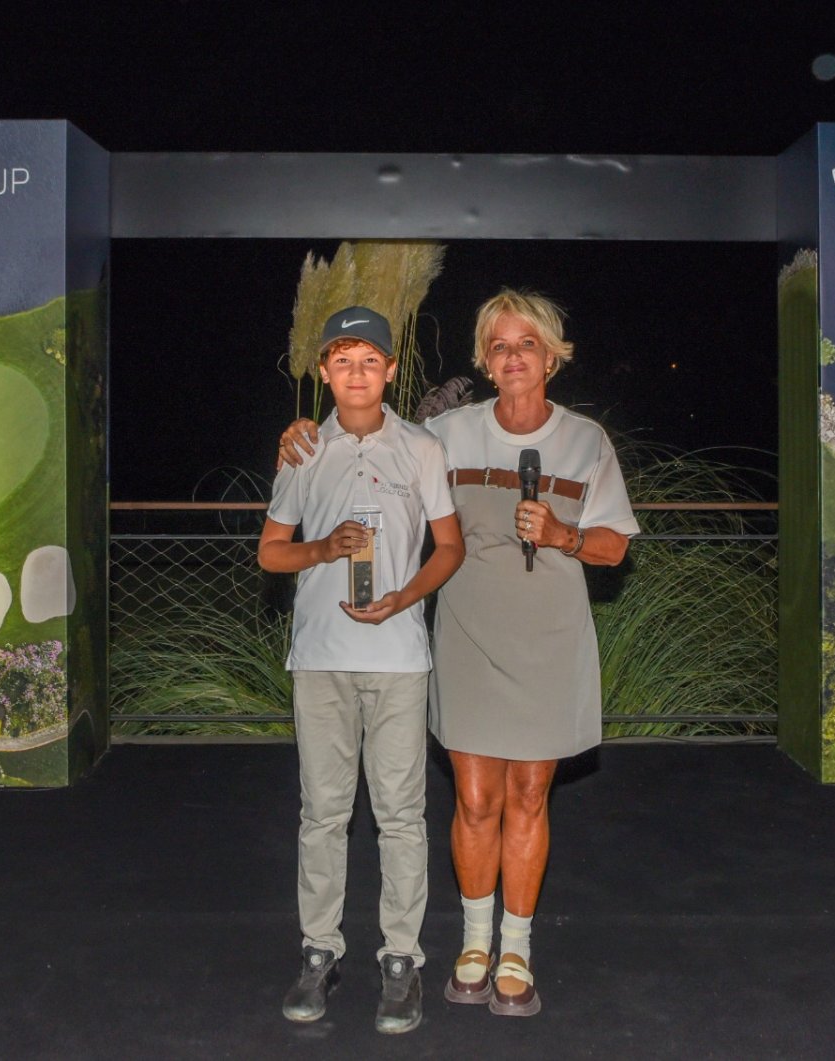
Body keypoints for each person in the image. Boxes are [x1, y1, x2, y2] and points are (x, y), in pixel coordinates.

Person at [280, 289, 638, 1018]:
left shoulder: (586, 441)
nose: (513, 357)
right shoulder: (445, 433)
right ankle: (474, 944)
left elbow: (615, 547)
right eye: (499, 345)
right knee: (474, 800)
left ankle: (516, 947)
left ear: (552, 357)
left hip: (549, 637)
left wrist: (563, 534)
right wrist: (301, 429)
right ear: (484, 359)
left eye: (527, 344)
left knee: (529, 796)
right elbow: (372, 430)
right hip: (469, 635)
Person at [258, 306, 464, 1035]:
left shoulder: (422, 447)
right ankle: (319, 950)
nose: (356, 373)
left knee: (402, 815)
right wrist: (323, 549)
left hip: (399, 659)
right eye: (342, 360)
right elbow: (271, 551)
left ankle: (401, 959)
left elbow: (449, 546)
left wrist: (404, 598)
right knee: (323, 812)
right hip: (320, 657)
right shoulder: (303, 449)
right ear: (324, 371)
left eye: (370, 360)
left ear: (390, 370)